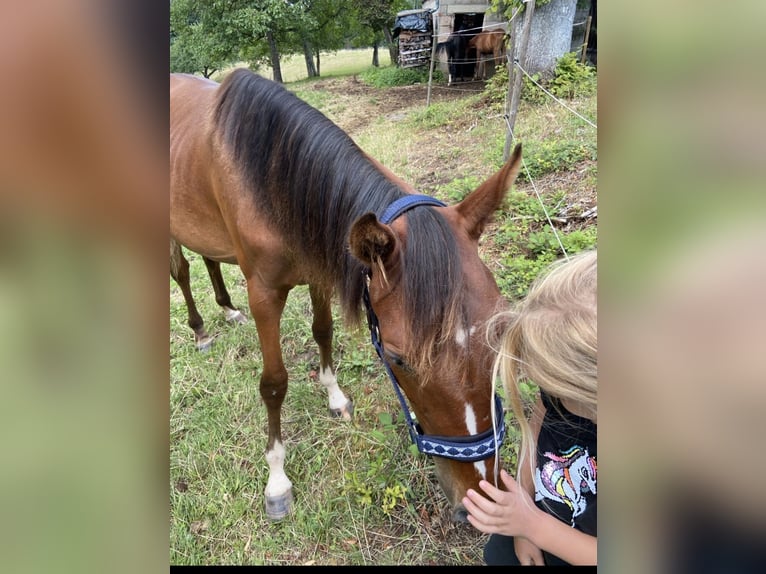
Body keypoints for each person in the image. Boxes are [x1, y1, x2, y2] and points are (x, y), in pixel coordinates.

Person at [462, 249, 597, 566]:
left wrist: (534, 527)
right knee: (499, 554)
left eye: (554, 387)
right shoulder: (560, 393)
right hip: (544, 520)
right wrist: (524, 516)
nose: (546, 394)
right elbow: (535, 433)